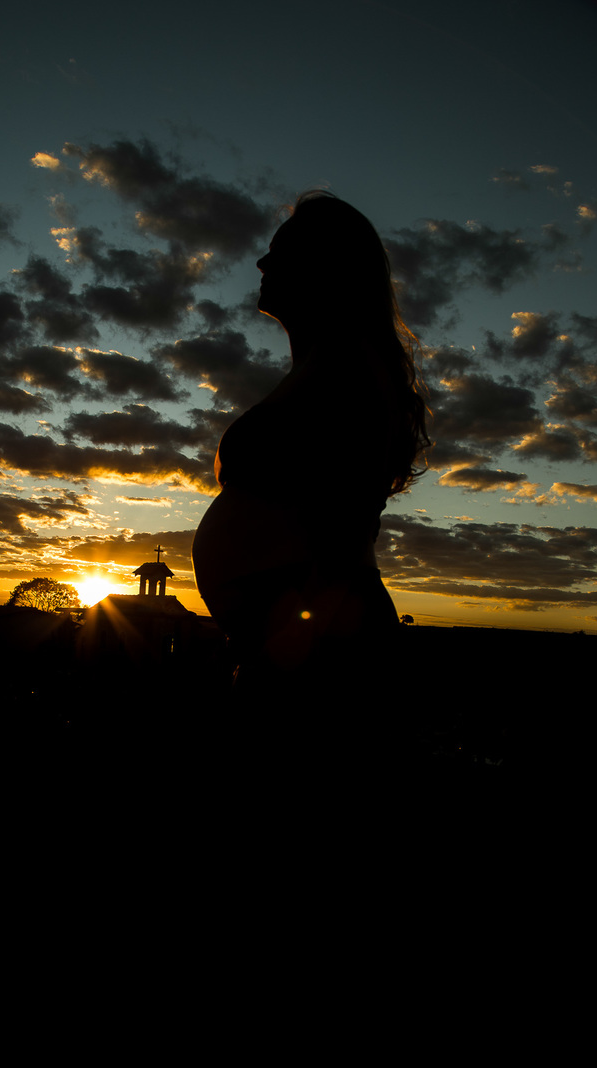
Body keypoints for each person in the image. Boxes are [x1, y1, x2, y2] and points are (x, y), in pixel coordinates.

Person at [191, 191, 430, 754]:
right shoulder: (323, 370)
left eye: (281, 251)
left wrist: (285, 652)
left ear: (327, 266)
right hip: (302, 644)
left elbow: (345, 530)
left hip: (323, 651)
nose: (262, 264)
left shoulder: (347, 373)